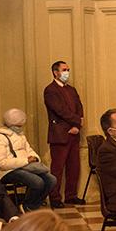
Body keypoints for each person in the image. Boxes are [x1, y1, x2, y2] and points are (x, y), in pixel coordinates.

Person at [0, 108, 57, 212]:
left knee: (51, 180)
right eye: (19, 126)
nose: (20, 128)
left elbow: (29, 150)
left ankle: (32, 206)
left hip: (25, 167)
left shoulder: (20, 136)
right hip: (7, 171)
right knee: (37, 182)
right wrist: (25, 161)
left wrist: (35, 158)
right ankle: (27, 206)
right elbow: (1, 163)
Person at [44, 60, 85, 208]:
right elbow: (59, 110)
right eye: (64, 69)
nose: (67, 72)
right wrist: (77, 121)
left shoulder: (71, 90)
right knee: (57, 168)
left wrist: (77, 125)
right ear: (56, 72)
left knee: (74, 167)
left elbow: (79, 107)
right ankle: (55, 198)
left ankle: (71, 196)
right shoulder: (50, 90)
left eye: (68, 69)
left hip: (74, 133)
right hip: (60, 135)